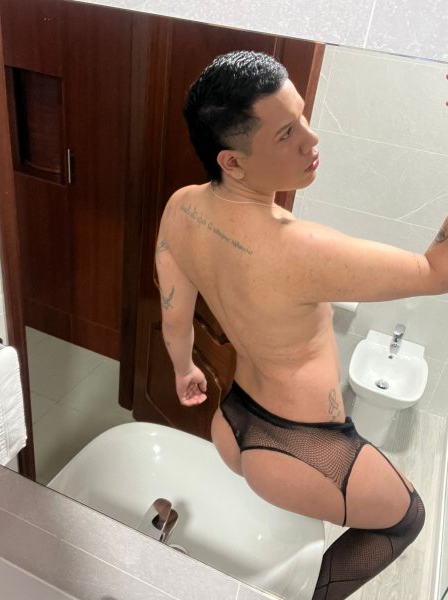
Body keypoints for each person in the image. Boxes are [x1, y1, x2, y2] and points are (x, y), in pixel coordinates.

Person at [155, 51, 446, 599]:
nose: (312, 140)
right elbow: (438, 272)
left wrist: (184, 369)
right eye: (287, 134)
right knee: (406, 519)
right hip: (301, 446)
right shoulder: (298, 248)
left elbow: (174, 313)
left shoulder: (182, 209)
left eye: (303, 117)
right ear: (232, 162)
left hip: (233, 421)